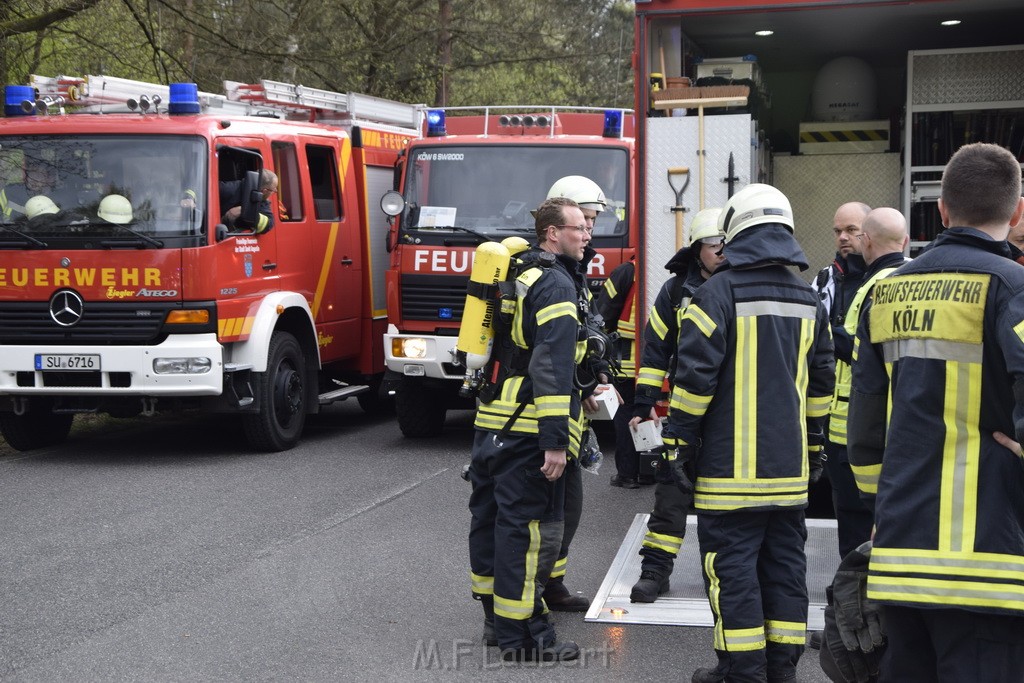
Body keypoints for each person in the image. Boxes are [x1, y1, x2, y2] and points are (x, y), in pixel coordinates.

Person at [847, 142, 1024, 682]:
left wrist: (881, 505)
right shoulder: (1012, 288)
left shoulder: (886, 293)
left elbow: (865, 426)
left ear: (941, 210)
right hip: (987, 562)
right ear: (1016, 212)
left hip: (900, 552)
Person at [663, 184, 834, 683]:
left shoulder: (715, 293)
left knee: (733, 575)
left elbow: (694, 382)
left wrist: (678, 444)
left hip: (727, 475)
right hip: (790, 473)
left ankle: (742, 672)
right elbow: (822, 384)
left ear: (736, 231)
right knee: (785, 573)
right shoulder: (808, 298)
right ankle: (781, 671)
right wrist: (816, 444)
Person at [467, 196, 596, 663]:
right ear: (551, 233)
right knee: (527, 534)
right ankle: (527, 638)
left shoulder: (520, 272)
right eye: (578, 227)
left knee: (490, 523)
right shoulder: (557, 284)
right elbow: (552, 366)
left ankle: (494, 622)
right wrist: (555, 442)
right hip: (527, 428)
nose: (586, 235)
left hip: (492, 422)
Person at [627, 207, 725, 602]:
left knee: (721, 498)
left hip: (726, 411)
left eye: (726, 243)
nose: (721, 251)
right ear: (697, 248)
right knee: (672, 489)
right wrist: (644, 401)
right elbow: (656, 350)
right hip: (684, 410)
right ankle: (655, 570)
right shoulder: (674, 291)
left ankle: (718, 574)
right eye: (713, 244)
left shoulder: (736, 285)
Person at [534, 174, 613, 613]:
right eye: (584, 221)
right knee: (547, 511)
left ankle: (552, 582)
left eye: (593, 222)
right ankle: (536, 589)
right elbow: (549, 353)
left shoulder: (575, 268)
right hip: (543, 414)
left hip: (568, 404)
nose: (589, 231)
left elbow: (586, 328)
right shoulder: (551, 274)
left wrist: (591, 375)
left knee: (569, 505)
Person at [813, 201, 874, 560]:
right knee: (847, 509)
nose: (843, 238)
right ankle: (852, 588)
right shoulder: (825, 278)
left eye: (851, 230)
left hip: (878, 414)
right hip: (834, 418)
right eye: (838, 231)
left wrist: (840, 341)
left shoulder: (892, 275)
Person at [595, 256, 645, 488]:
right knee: (649, 412)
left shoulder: (627, 271)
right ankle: (651, 470)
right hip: (659, 359)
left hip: (626, 359)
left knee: (625, 414)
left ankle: (628, 474)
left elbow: (604, 313)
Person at [220, 168, 277, 234]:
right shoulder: (226, 189)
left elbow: (268, 224)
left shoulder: (262, 200)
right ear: (264, 191)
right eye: (274, 189)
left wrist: (244, 211)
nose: (276, 190)